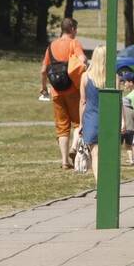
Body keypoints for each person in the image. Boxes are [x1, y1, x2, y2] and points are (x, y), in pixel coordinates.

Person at [40, 18, 86, 169]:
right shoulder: (74, 43)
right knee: (79, 122)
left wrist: (44, 88)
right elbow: (83, 60)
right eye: (76, 29)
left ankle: (64, 161)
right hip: (73, 89)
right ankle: (74, 148)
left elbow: (43, 70)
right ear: (72, 28)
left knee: (62, 126)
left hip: (56, 91)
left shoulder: (51, 46)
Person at [78, 45, 107, 179]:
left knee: (95, 154)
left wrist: (80, 123)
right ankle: (106, 183)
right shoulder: (112, 78)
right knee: (107, 155)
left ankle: (99, 184)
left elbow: (83, 101)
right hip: (108, 119)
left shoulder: (85, 77)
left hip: (91, 119)